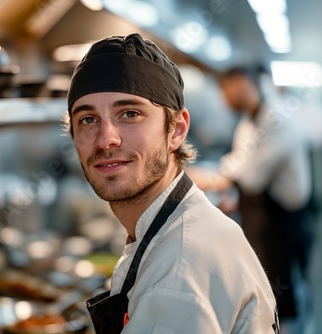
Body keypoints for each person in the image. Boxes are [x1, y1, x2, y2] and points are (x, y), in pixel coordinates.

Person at [65, 33, 279, 333]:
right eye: (87, 119)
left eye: (129, 114)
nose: (105, 139)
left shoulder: (177, 277)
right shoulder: (175, 228)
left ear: (176, 131)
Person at [189, 66, 314, 328]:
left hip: (284, 216)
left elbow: (251, 174)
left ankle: (288, 326)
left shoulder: (276, 120)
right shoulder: (251, 121)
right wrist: (230, 196)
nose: (223, 99)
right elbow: (242, 163)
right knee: (267, 278)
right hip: (265, 209)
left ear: (242, 83)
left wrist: (206, 178)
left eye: (225, 89)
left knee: (283, 285)